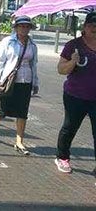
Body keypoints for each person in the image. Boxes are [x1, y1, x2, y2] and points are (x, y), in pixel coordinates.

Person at [0, 15, 39, 156]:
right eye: (21, 26)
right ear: (16, 28)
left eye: (27, 26)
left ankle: (19, 141)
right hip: (9, 80)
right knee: (5, 108)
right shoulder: (8, 42)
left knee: (23, 111)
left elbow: (33, 64)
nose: (24, 29)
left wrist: (35, 82)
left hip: (25, 81)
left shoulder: (32, 45)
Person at [54, 11, 96, 174]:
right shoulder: (74, 45)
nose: (94, 28)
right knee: (70, 127)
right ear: (84, 27)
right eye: (91, 25)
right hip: (75, 95)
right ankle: (62, 157)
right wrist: (73, 61)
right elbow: (61, 70)